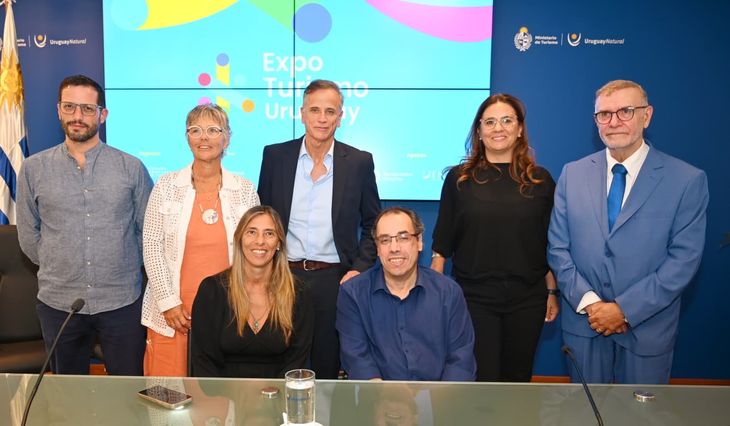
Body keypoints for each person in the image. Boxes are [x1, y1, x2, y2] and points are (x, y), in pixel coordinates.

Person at [548, 80, 709, 384]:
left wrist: (624, 310)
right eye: (604, 114)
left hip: (647, 329)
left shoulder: (686, 180)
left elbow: (683, 261)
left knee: (640, 409)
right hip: (585, 325)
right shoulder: (572, 174)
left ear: (646, 116)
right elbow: (558, 248)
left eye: (625, 111)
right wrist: (592, 304)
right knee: (585, 408)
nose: (614, 122)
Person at [16, 75, 153, 375]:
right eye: (69, 107)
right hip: (59, 304)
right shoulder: (33, 169)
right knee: (67, 393)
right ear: (58, 110)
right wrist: (58, 262)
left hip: (121, 302)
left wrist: (121, 265)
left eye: (87, 109)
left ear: (102, 115)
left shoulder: (131, 168)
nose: (77, 116)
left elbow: (148, 232)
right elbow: (28, 233)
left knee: (127, 391)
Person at [258, 79, 381, 379]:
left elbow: (373, 223)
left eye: (330, 111)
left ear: (341, 117)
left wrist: (359, 269)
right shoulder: (275, 156)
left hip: (334, 281)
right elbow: (262, 218)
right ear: (302, 114)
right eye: (315, 110)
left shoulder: (359, 162)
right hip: (283, 277)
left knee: (327, 367)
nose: (322, 119)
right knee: (281, 364)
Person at [431, 94, 559, 382]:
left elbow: (548, 243)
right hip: (474, 299)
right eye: (489, 122)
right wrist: (433, 298)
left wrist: (552, 292)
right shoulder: (459, 179)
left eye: (506, 120)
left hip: (528, 299)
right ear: (479, 131)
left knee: (518, 380)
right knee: (482, 380)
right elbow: (442, 244)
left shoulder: (541, 180)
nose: (498, 128)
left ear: (520, 129)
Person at [141, 103, 260, 376]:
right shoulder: (166, 186)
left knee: (218, 394)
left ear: (226, 139)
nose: (204, 137)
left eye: (213, 130)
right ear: (187, 138)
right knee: (168, 394)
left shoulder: (244, 190)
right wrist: (168, 302)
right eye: (195, 130)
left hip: (229, 310)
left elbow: (256, 250)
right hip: (173, 311)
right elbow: (151, 245)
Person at [337, 207, 476, 381]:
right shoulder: (353, 294)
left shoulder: (448, 292)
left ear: (419, 242)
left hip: (440, 395)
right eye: (385, 240)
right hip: (378, 394)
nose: (394, 248)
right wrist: (382, 395)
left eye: (403, 238)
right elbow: (357, 358)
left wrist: (440, 397)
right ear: (377, 248)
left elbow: (461, 359)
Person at [190, 205, 314, 378]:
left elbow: (296, 361)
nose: (260, 241)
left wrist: (274, 393)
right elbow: (204, 361)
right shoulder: (212, 291)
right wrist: (223, 395)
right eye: (252, 232)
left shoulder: (298, 293)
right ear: (240, 239)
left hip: (279, 392)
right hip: (222, 392)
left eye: (269, 233)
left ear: (279, 242)